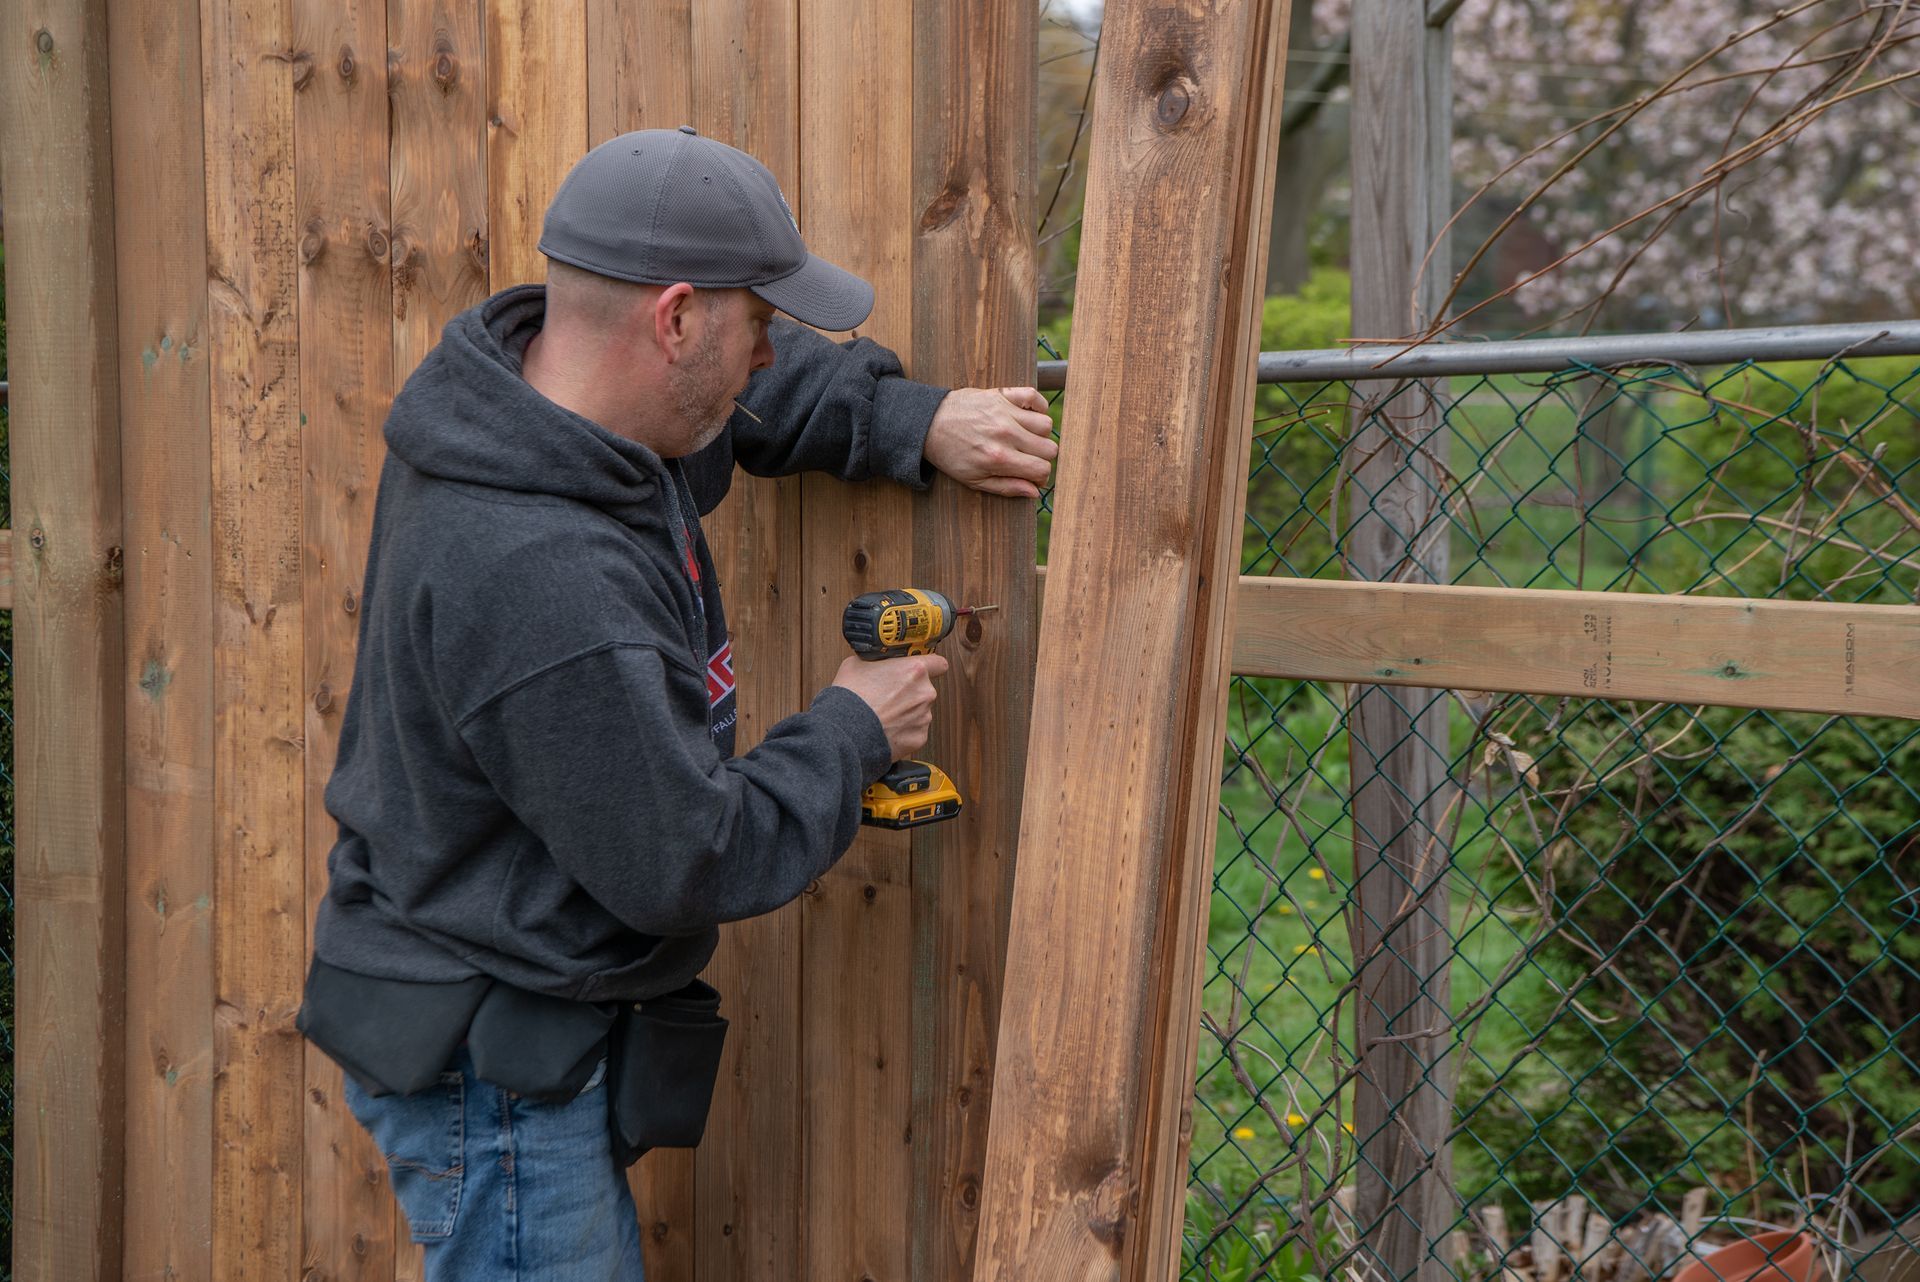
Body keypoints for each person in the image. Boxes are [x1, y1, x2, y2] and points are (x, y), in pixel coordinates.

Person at [296, 126, 1056, 1280]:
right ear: (676, 318)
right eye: (760, 323)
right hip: (495, 1074)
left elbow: (731, 407)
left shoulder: (544, 414)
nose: (770, 353)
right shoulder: (543, 574)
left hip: (508, 1015)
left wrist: (913, 419)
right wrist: (854, 729)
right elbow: (683, 858)